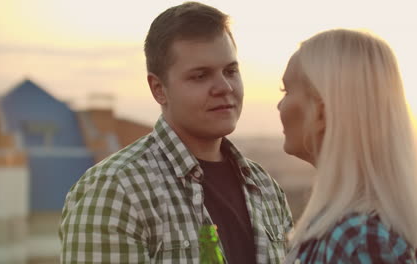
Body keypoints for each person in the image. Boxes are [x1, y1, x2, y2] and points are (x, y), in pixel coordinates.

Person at [59, 2, 293, 263]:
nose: (224, 87)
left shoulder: (264, 187)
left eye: (231, 71)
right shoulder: (116, 190)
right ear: (159, 89)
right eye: (200, 76)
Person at [277, 29, 417, 263]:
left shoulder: (363, 239)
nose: (279, 105)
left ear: (321, 112)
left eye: (286, 90)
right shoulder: (349, 226)